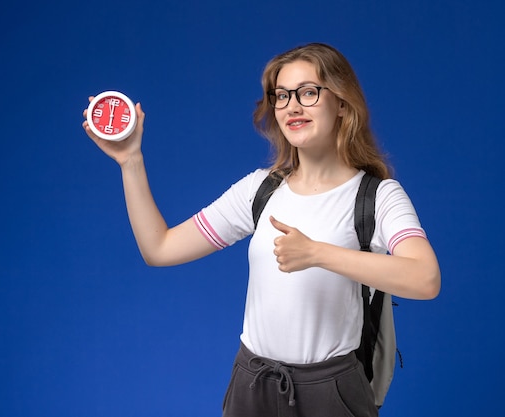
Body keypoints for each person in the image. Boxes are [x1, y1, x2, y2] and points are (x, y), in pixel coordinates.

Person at [82, 42, 441, 417]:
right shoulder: (260, 189)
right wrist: (130, 160)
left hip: (331, 392)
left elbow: (425, 278)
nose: (292, 106)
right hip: (251, 385)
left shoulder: (377, 196)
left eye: (308, 92)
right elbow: (160, 249)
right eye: (282, 96)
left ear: (342, 104)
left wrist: (318, 253)